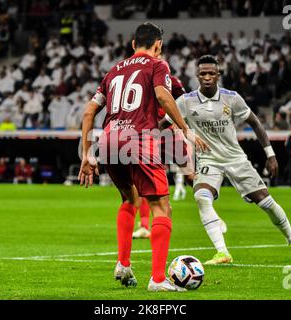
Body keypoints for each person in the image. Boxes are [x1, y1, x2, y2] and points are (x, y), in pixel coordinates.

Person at [78, 22, 208, 292]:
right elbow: (162, 95)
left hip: (110, 141)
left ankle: (123, 264)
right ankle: (158, 280)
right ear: (158, 45)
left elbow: (89, 112)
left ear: (132, 44)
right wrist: (185, 129)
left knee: (129, 198)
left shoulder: (113, 71)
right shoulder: (158, 65)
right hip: (139, 139)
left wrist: (87, 155)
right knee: (162, 207)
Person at [165, 55, 291, 265]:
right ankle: (222, 252)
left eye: (211, 74)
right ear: (197, 76)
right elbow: (163, 123)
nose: (207, 77)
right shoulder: (185, 101)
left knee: (266, 202)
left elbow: (256, 123)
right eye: (203, 74)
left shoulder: (231, 98)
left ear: (218, 76)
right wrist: (182, 133)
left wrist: (270, 154)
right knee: (201, 197)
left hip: (236, 159)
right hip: (208, 161)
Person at [132, 74, 188, 240]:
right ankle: (144, 225)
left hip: (168, 132)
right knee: (143, 182)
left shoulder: (171, 80)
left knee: (190, 173)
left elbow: (184, 101)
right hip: (147, 133)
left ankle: (209, 211)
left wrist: (180, 125)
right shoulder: (139, 78)